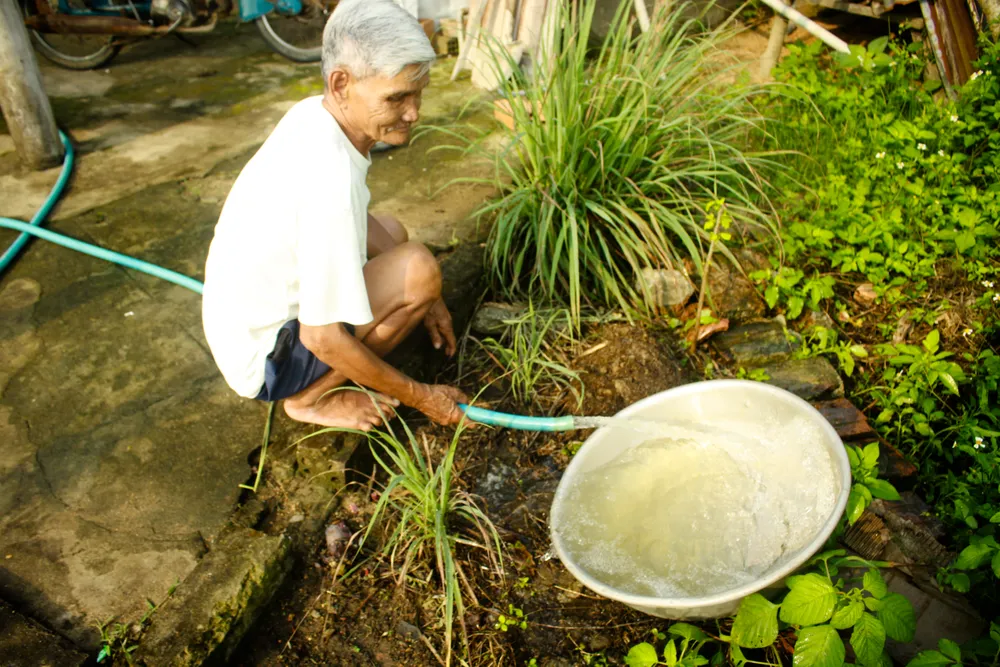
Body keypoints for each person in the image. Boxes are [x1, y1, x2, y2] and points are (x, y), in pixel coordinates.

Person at [201, 0, 468, 430]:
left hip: (241, 326)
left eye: (419, 92)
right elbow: (319, 336)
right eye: (397, 97)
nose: (414, 112)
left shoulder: (315, 114)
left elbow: (353, 217)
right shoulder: (329, 177)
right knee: (417, 269)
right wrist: (424, 399)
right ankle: (310, 399)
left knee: (395, 235)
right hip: (269, 357)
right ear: (341, 82)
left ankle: (323, 380)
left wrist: (433, 301)